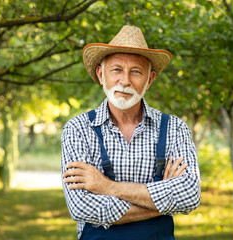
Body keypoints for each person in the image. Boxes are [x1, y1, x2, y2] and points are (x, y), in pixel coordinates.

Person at [61, 25, 201, 240]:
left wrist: (106, 187)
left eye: (136, 71)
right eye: (116, 70)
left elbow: (190, 195)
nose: (125, 81)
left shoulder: (174, 128)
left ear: (149, 80)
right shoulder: (78, 129)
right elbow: (82, 208)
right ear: (101, 74)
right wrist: (164, 200)